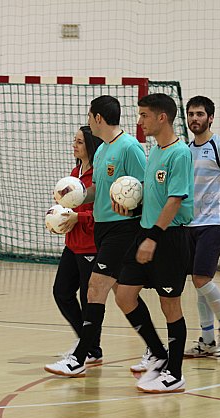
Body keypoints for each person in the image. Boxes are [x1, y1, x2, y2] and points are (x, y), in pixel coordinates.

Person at [44, 95, 147, 377]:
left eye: (90, 116)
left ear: (98, 118)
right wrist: (70, 201)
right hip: (101, 231)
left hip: (122, 231)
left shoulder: (130, 147)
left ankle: (84, 354)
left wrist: (134, 213)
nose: (88, 120)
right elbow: (97, 192)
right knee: (121, 294)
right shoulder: (101, 153)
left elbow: (144, 188)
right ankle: (155, 350)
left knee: (98, 291)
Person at [114, 93, 194, 393]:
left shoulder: (180, 153)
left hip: (169, 238)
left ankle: (174, 373)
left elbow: (175, 200)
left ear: (162, 117)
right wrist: (132, 208)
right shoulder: (155, 151)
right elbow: (154, 194)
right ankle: (158, 353)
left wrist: (153, 238)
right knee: (124, 295)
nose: (139, 120)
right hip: (146, 233)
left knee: (169, 304)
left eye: (144, 115)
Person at [182, 96, 220, 358]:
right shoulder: (185, 149)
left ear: (211, 118)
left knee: (201, 279)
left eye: (200, 114)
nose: (195, 119)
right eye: (191, 114)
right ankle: (206, 340)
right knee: (198, 282)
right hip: (189, 224)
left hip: (213, 224)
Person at [48, 126, 103, 364]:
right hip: (72, 243)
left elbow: (100, 212)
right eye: (74, 141)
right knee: (61, 292)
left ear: (90, 146)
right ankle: (87, 342)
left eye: (79, 142)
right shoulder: (75, 172)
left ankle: (90, 348)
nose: (74, 145)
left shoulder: (99, 176)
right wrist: (60, 212)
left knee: (88, 298)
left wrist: (77, 217)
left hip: (91, 246)